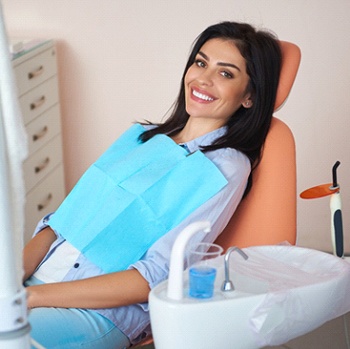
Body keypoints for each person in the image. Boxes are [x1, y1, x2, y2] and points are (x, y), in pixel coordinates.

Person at [23, 21, 282, 348]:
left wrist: (31, 297)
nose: (203, 78)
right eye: (201, 63)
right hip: (36, 283)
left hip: (97, 313)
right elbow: (60, 223)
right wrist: (14, 280)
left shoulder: (225, 166)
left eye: (225, 73)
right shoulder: (139, 137)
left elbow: (155, 275)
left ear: (249, 96)